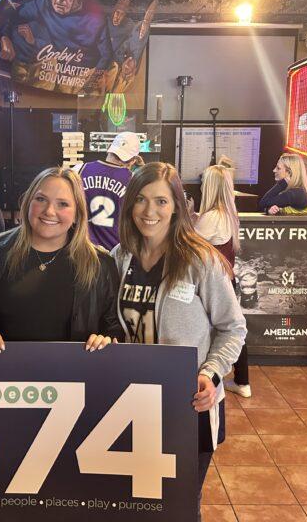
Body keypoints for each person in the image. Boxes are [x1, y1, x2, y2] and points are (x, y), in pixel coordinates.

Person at [112, 162, 246, 521]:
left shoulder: (201, 259)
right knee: (136, 503)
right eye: (140, 200)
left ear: (177, 205)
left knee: (180, 505)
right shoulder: (119, 258)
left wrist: (212, 374)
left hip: (189, 405)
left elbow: (233, 328)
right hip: (131, 403)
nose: (149, 211)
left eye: (160, 201)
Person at [0, 166, 123, 353]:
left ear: (77, 213)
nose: (49, 211)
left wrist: (105, 340)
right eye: (41, 199)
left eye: (63, 204)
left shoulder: (100, 264)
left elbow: (113, 327)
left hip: (73, 377)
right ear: (28, 203)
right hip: (7, 376)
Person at [195, 163, 251, 398]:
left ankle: (239, 380)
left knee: (227, 328)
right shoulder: (227, 214)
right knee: (233, 326)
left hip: (215, 283)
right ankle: (242, 380)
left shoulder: (212, 217)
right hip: (228, 278)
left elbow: (186, 242)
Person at [76, 131, 142, 251]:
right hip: (114, 253)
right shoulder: (133, 181)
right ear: (132, 160)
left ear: (108, 148)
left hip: (82, 249)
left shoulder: (79, 170)